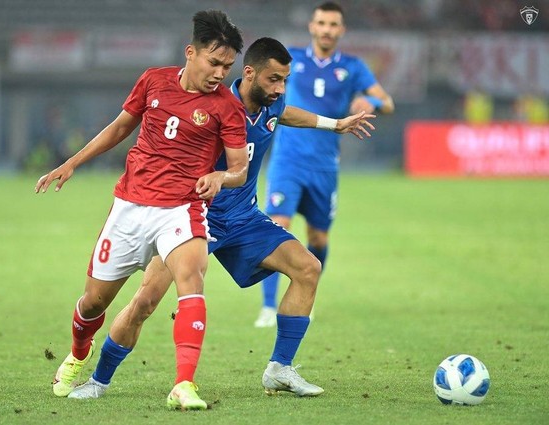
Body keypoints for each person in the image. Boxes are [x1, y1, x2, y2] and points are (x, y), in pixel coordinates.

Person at [65, 37, 375, 403]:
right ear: (249, 74)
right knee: (146, 300)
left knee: (308, 268)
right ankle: (100, 381)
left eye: (284, 80)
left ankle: (280, 368)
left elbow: (287, 113)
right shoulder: (216, 106)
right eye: (274, 79)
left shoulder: (271, 105)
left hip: (243, 218)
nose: (280, 88)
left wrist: (334, 124)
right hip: (193, 215)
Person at [35, 10, 247, 410]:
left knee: (191, 280)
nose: (220, 73)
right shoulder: (153, 80)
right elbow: (119, 128)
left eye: (227, 66)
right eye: (214, 62)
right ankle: (79, 354)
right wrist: (72, 162)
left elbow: (239, 168)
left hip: (181, 211)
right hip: (130, 209)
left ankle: (184, 384)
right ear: (191, 53)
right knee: (94, 302)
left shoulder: (226, 108)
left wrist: (221, 178)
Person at [257, 2, 394, 327]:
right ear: (312, 27)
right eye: (322, 23)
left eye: (333, 24)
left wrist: (370, 101)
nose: (327, 29)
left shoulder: (353, 67)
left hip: (324, 167)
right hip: (287, 161)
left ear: (341, 30)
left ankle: (305, 295)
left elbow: (387, 101)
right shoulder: (291, 60)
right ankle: (267, 307)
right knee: (277, 227)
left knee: (318, 238)